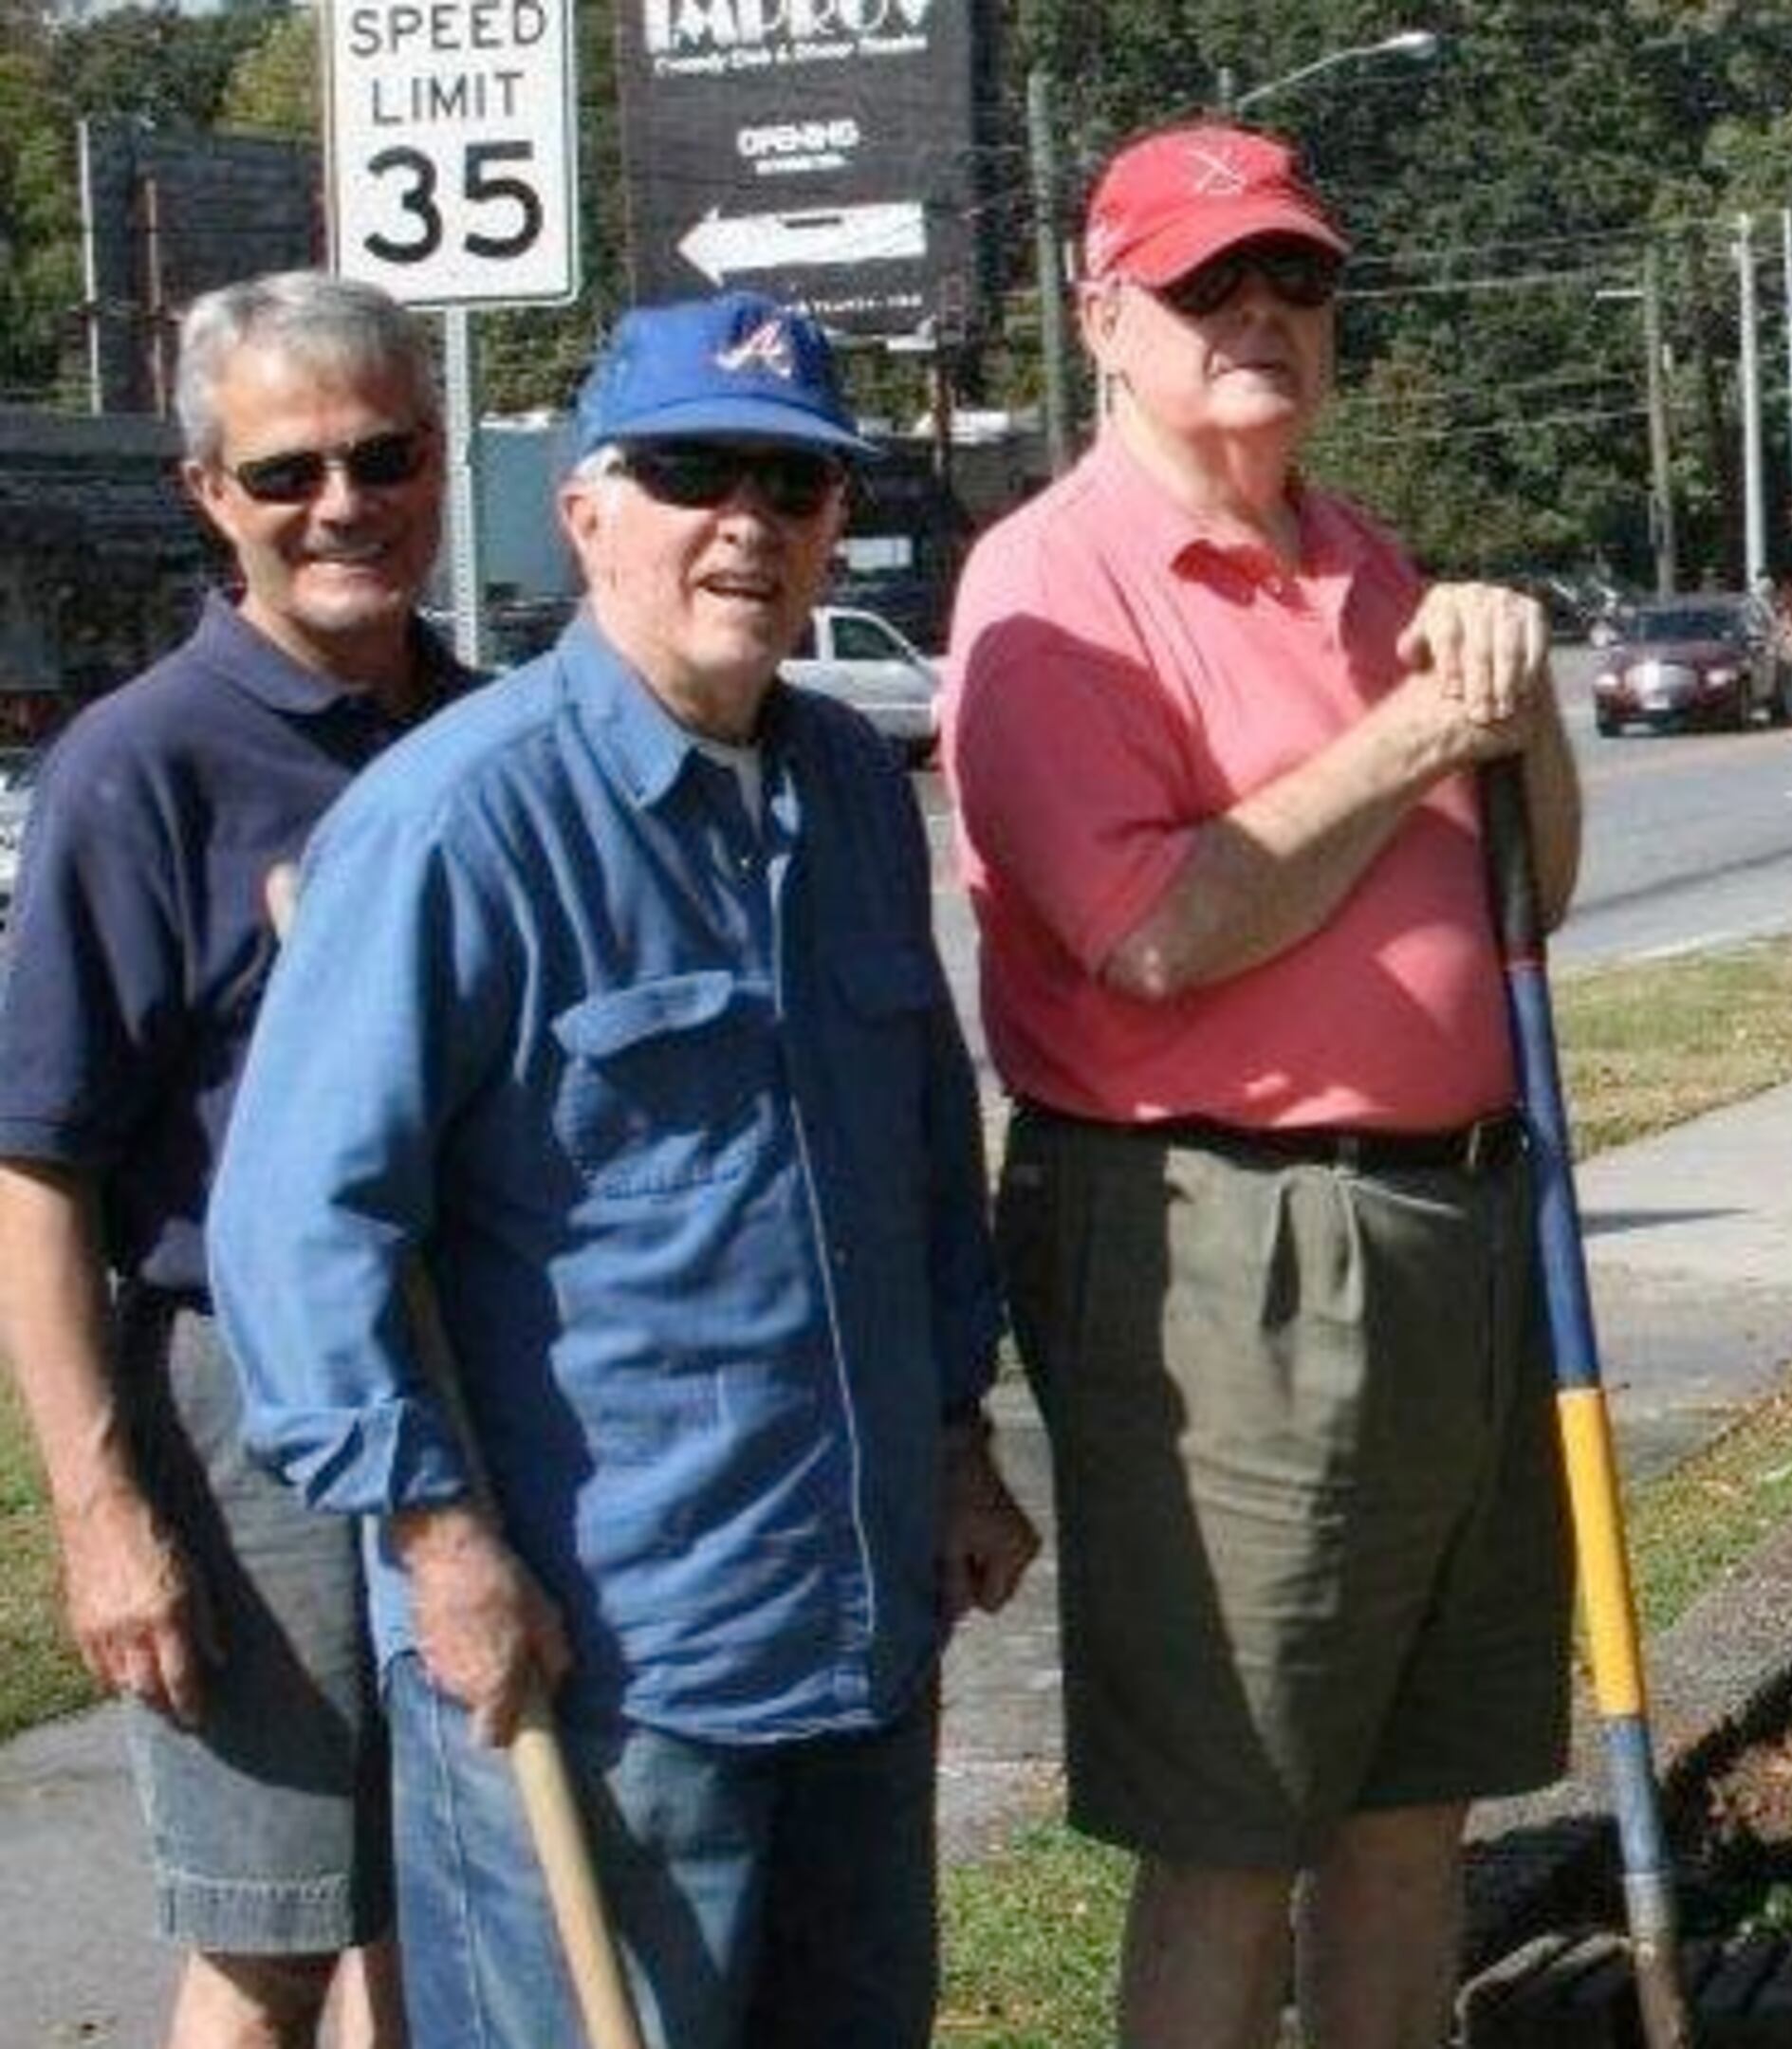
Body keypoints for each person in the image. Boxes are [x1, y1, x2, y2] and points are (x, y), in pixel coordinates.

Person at [205, 288, 1039, 2049]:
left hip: (859, 1624)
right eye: (689, 472)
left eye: (792, 486)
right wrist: (438, 1543)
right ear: (586, 511)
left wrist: (961, 1439)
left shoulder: (854, 793)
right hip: (608, 1670)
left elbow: (915, 1151)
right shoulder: (456, 823)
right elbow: (298, 1234)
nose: (746, 520)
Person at [941, 120, 1582, 2049]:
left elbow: (1527, 887)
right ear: (1103, 321)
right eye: (1209, 285)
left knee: (1412, 1812)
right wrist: (1415, 733)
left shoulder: (1370, 562)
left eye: (1295, 280)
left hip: (1461, 1221)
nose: (1263, 318)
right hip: (1226, 1248)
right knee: (1237, 1819)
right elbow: (1150, 933)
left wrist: (1522, 707)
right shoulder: (1052, 591)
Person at [0, 268, 463, 2049]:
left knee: (439, 1899)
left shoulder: (486, 737)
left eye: (383, 454)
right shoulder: (140, 769)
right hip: (246, 1407)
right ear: (209, 494)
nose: (341, 504)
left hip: (473, 1378)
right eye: (285, 473)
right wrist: (102, 1512)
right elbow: (37, 1167)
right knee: (275, 1930)